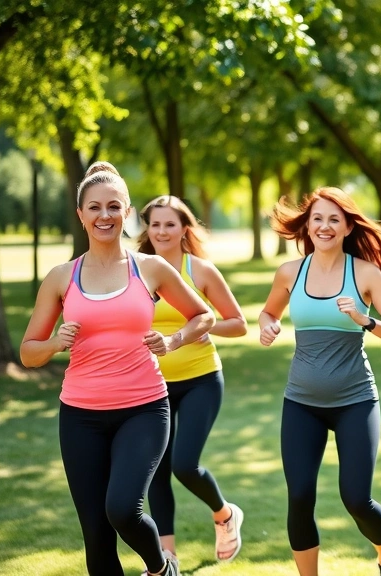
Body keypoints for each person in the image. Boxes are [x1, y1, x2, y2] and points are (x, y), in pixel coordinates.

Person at [20, 162, 215, 576]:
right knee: (96, 534)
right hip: (80, 416)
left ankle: (161, 567)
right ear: (81, 215)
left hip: (142, 408)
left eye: (114, 207)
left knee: (123, 509)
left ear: (127, 213)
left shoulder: (151, 268)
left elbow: (203, 316)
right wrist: (56, 343)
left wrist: (174, 340)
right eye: (94, 207)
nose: (104, 215)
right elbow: (28, 352)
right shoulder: (61, 277)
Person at [258, 187, 381, 576]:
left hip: (355, 402)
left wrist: (366, 320)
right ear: (307, 225)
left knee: (357, 499)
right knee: (300, 496)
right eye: (317, 218)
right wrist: (269, 325)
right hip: (302, 404)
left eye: (333, 220)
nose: (324, 226)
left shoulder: (365, 274)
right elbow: (268, 312)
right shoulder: (290, 272)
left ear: (346, 227)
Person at [136, 195, 248, 563]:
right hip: (151, 385)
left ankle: (225, 514)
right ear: (146, 229)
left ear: (184, 229)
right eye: (155, 224)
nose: (162, 231)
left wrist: (205, 328)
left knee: (185, 463)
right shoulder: (134, 271)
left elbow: (237, 322)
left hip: (200, 379)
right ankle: (167, 557)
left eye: (170, 224)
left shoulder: (199, 270)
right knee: (157, 472)